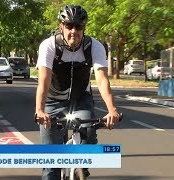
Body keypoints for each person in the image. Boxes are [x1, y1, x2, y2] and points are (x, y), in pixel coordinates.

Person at [34, 4, 120, 180]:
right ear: (61, 27)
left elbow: (102, 80)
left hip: (81, 99)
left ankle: (81, 167)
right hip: (53, 101)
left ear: (84, 28)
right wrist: (40, 110)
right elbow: (44, 79)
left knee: (89, 133)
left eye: (78, 26)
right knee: (51, 166)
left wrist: (112, 110)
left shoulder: (94, 46)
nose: (74, 30)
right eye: (69, 26)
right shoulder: (49, 46)